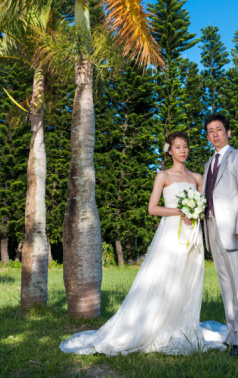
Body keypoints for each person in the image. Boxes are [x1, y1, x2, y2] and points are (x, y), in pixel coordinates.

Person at [59, 132, 212, 355]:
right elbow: (152, 208)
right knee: (165, 279)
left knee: (188, 279)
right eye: (178, 147)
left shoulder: (197, 177)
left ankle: (181, 325)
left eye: (186, 146)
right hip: (171, 233)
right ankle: (156, 325)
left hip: (192, 235)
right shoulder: (163, 176)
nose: (183, 150)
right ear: (169, 150)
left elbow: (203, 205)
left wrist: (195, 212)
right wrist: (181, 211)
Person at [202, 113, 238, 357]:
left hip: (236, 230)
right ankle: (232, 333)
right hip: (212, 229)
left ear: (228, 132)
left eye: (219, 129)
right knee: (225, 285)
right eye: (210, 131)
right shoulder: (207, 164)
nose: (215, 134)